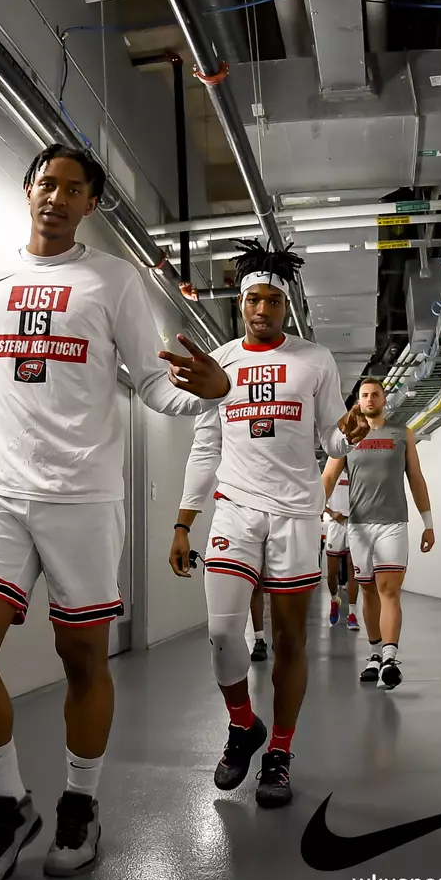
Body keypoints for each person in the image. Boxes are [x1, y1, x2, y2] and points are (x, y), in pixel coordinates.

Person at [0, 144, 230, 880]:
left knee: (83, 660)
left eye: (73, 189)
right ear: (28, 191)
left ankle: (80, 806)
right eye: (46, 184)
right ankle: (8, 804)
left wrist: (212, 391)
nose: (56, 197)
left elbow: (156, 384)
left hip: (84, 499)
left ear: (91, 204)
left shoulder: (113, 280)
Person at [173, 241, 368, 808]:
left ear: (286, 304)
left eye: (272, 301)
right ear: (240, 303)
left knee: (288, 640)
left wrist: (348, 431)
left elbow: (328, 438)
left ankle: (279, 751)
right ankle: (243, 725)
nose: (262, 309)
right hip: (234, 508)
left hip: (294, 513)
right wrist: (185, 521)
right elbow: (206, 445)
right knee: (222, 631)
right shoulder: (222, 362)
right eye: (253, 300)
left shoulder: (315, 360)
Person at [321, 378, 434, 691]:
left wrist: (428, 522)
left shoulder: (402, 434)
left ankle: (389, 657)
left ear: (384, 399)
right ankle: (373, 654)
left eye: (375, 395)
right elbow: (329, 476)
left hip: (393, 524)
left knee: (389, 590)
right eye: (364, 395)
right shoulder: (348, 436)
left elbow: (416, 478)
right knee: (368, 590)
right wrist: (314, 509)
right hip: (359, 526)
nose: (370, 399)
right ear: (358, 401)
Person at [322, 460, 352, 626]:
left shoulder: (357, 469)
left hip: (355, 523)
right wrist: (331, 512)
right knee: (332, 571)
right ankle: (334, 600)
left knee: (353, 568)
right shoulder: (332, 471)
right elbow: (318, 498)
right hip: (336, 524)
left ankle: (352, 614)